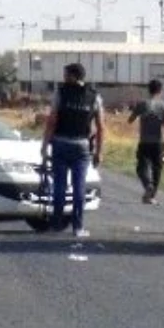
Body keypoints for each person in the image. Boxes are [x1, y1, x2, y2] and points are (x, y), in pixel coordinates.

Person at [41, 62, 105, 237]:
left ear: (74, 76)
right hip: (82, 145)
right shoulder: (94, 96)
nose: (63, 78)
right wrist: (99, 151)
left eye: (66, 74)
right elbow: (101, 126)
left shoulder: (60, 93)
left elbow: (52, 121)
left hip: (60, 143)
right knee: (79, 186)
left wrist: (45, 145)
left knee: (59, 186)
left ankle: (56, 224)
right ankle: (78, 227)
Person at [128, 79, 164, 204]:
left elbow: (130, 120)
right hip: (158, 142)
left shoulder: (142, 104)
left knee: (141, 168)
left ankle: (147, 185)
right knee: (157, 169)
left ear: (148, 89)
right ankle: (151, 195)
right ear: (160, 91)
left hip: (144, 141)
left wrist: (135, 111)